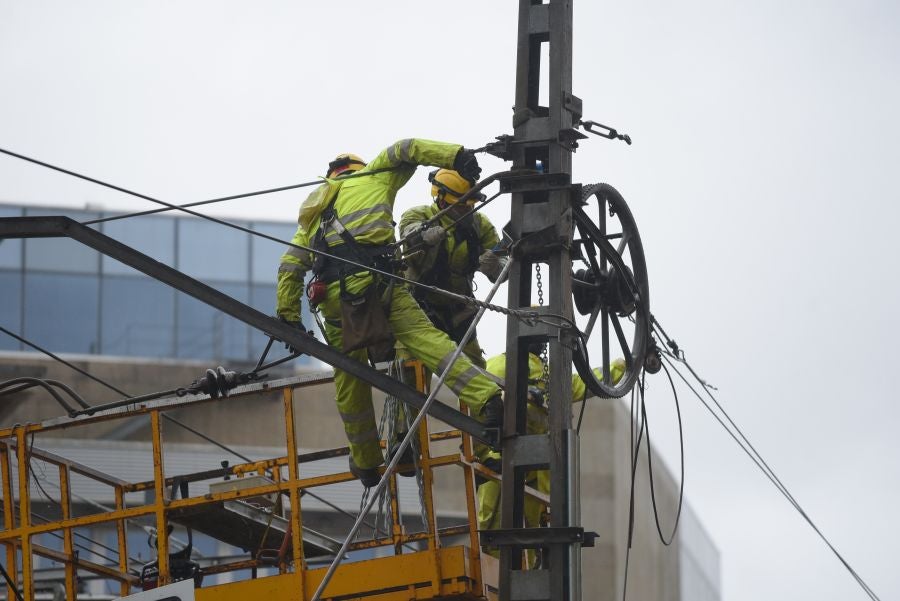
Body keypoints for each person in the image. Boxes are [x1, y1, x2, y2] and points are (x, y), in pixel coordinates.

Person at [275, 141, 503, 488]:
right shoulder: (375, 176)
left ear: (331, 177)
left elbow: (290, 267)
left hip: (337, 302)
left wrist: (289, 317)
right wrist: (457, 155)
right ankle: (487, 398)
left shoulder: (315, 212)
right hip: (382, 286)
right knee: (428, 342)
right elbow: (406, 149)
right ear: (359, 169)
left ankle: (367, 462)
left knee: (350, 378)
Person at [476, 349, 625, 566]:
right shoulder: (503, 366)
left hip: (528, 471)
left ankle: (511, 575)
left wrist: (621, 367)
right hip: (501, 462)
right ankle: (501, 576)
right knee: (498, 527)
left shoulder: (550, 377)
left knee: (520, 532)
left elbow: (584, 383)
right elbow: (482, 407)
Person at [398, 169, 506, 368]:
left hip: (459, 313)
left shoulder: (480, 225)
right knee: (411, 373)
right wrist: (422, 236)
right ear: (441, 201)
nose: (468, 210)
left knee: (475, 372)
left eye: (471, 205)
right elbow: (408, 235)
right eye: (462, 206)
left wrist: (495, 266)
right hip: (418, 311)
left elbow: (505, 266)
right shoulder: (419, 215)